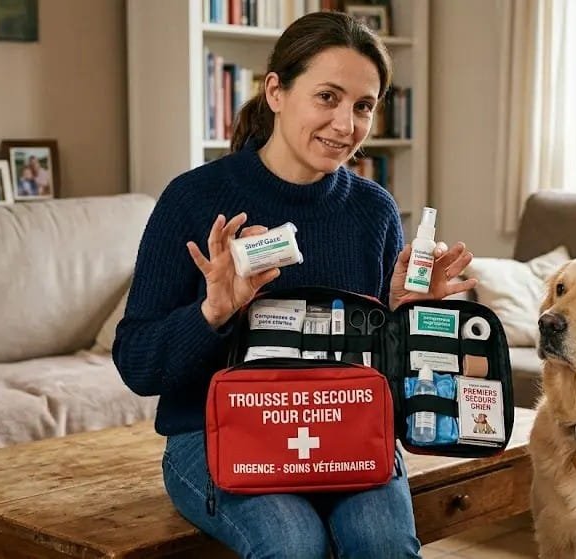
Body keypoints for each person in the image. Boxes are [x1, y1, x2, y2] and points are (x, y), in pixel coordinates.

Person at [114, 12, 476, 558]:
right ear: (276, 91)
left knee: (383, 543)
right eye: (327, 97)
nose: (346, 125)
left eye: (363, 106)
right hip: (215, 434)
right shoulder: (192, 199)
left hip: (345, 427)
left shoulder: (372, 210)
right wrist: (212, 312)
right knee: (293, 543)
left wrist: (403, 312)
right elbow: (137, 365)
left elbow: (382, 371)